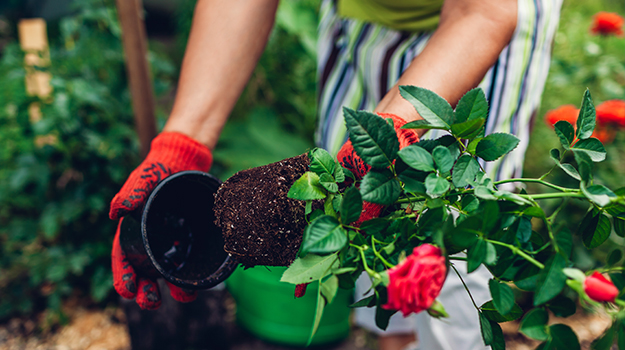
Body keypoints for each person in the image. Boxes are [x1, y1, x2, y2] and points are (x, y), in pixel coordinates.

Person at [109, 0, 562, 349]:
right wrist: (185, 137)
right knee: (379, 260)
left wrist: (393, 128)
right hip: (363, 20)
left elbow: (482, 13)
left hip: (477, 23)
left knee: (456, 251)